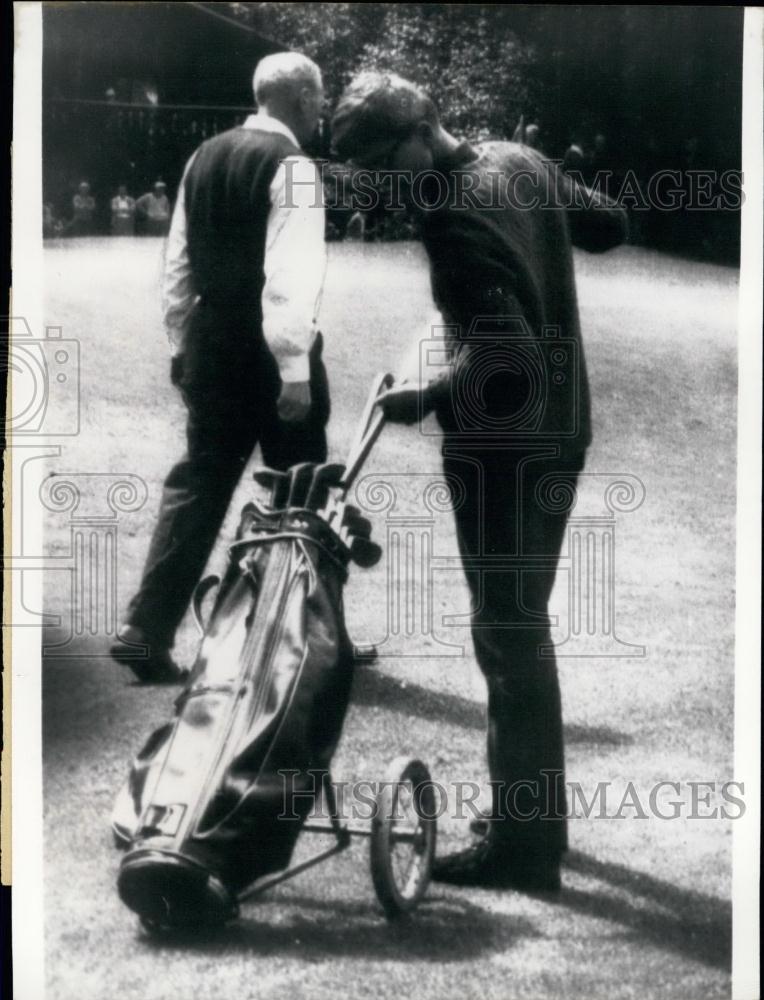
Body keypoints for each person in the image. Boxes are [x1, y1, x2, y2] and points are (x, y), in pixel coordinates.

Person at [332, 72, 627, 892]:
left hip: (505, 450)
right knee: (521, 628)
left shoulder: (455, 217)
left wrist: (424, 394)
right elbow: (611, 223)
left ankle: (523, 848)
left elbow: (510, 355)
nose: (377, 183)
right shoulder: (515, 158)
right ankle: (534, 827)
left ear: (423, 130)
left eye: (382, 161)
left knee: (507, 635)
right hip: (561, 433)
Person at [111, 52, 329, 682]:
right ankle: (300, 640)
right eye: (318, 99)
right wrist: (293, 370)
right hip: (268, 356)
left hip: (211, 346)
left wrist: (183, 343)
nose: (321, 110)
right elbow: (291, 279)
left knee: (198, 487)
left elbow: (177, 266)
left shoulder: (201, 157)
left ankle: (144, 628)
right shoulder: (296, 168)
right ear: (301, 98)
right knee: (300, 494)